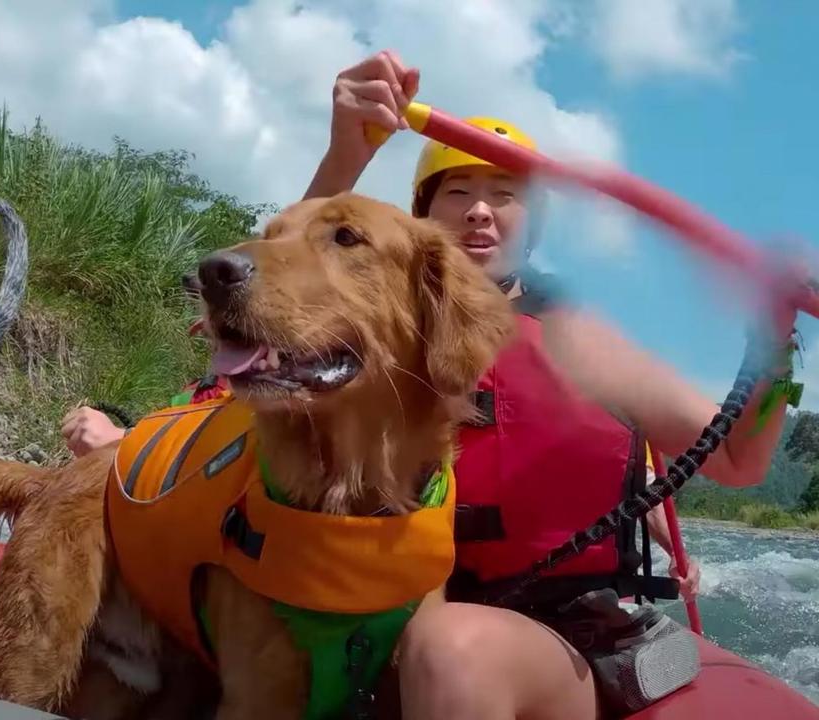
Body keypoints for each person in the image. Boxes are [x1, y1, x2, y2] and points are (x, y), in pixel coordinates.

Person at [300, 50, 792, 719]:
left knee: (449, 648)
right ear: (419, 221)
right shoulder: (371, 328)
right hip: (373, 614)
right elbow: (285, 299)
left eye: (505, 196)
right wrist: (345, 157)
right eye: (457, 192)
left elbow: (739, 459)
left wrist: (774, 343)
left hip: (545, 634)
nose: (480, 211)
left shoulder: (582, 339)